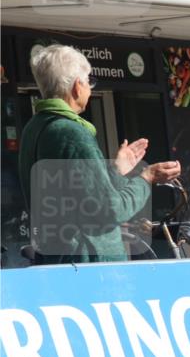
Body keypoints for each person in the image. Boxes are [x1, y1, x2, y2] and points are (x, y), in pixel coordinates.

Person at [18, 45, 180, 264]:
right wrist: (147, 177)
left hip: (58, 259)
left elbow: (81, 199)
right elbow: (110, 210)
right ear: (77, 86)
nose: (90, 88)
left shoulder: (34, 127)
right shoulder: (72, 132)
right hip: (90, 264)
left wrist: (115, 170)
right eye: (88, 81)